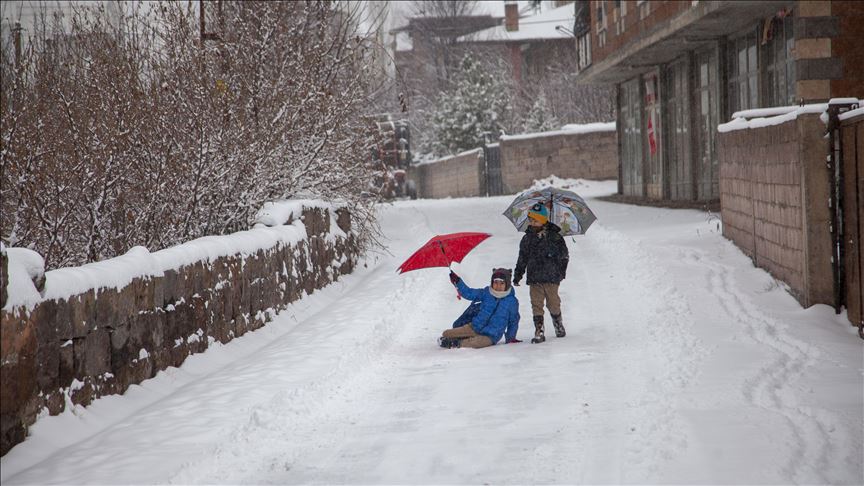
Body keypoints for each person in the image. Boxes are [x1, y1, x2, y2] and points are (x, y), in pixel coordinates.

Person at [513, 202, 569, 343]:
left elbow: (564, 256)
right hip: (535, 277)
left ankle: (558, 323)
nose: (532, 223)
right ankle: (539, 329)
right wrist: (518, 274)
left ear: (543, 220)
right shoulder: (527, 238)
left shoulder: (555, 237)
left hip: (551, 277)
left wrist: (561, 272)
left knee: (553, 303)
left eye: (536, 220)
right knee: (536, 304)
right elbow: (522, 258)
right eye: (531, 220)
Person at [439, 268, 521, 349]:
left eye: (502, 283)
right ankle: (456, 338)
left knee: (476, 342)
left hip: (490, 336)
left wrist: (511, 338)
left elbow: (513, 321)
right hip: (474, 327)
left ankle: (456, 343)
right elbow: (469, 293)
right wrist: (458, 281)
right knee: (446, 333)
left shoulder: (512, 302)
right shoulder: (486, 293)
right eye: (495, 282)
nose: (498, 286)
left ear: (507, 284)